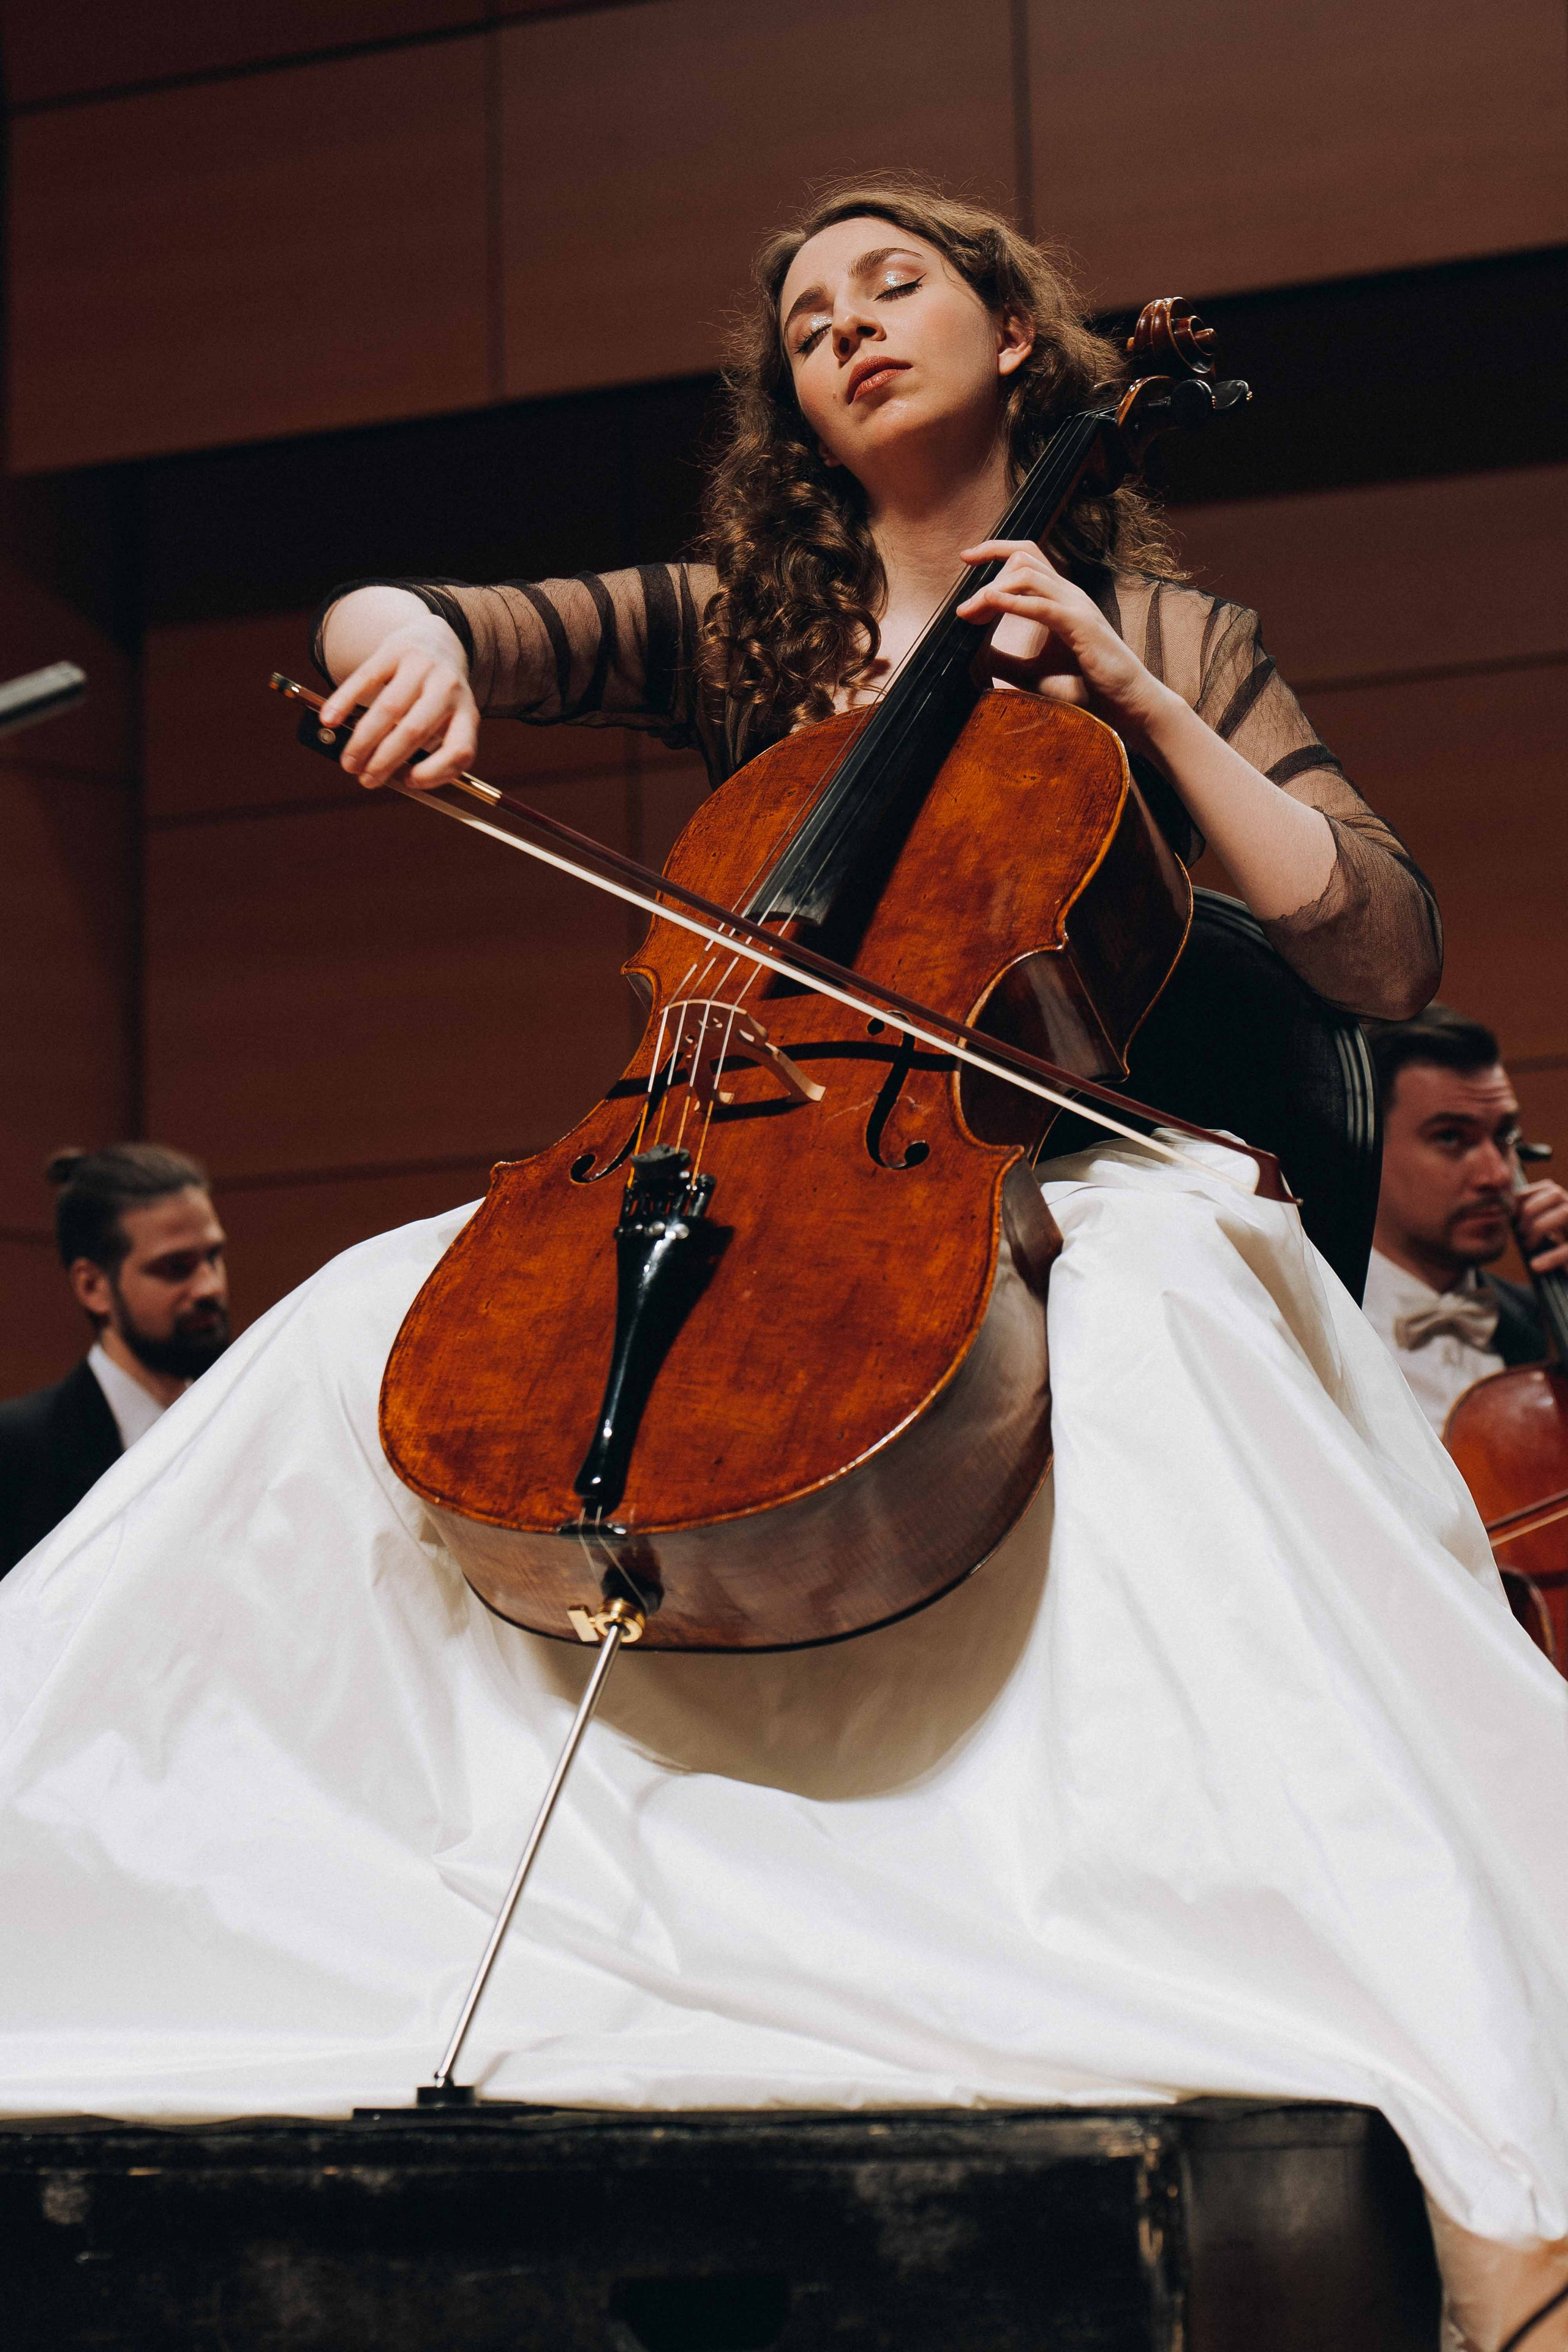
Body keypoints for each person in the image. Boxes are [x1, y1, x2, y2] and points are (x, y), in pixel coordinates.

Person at [1, 181, 1564, 2352]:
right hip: (734, 1142)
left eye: (893, 284)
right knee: (353, 1328)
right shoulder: (746, 613)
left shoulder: (1169, 629)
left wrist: (1124, 684)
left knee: (1177, 1328)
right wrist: (408, 656)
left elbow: (1381, 942)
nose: (844, 328)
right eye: (805, 314)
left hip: (1027, 1150)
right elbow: (414, 607)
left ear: (1022, 336)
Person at [0, 1144, 230, 1575]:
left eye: (213, 1258)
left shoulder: (245, 1421)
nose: (209, 1288)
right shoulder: (16, 1454)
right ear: (93, 1287)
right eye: (176, 1267)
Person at [1363, 1007, 1567, 1433]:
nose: (1497, 1175)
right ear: (1369, 1146)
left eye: (1505, 1136)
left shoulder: (1542, 1325)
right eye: (1451, 1137)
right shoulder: (1308, 1329)